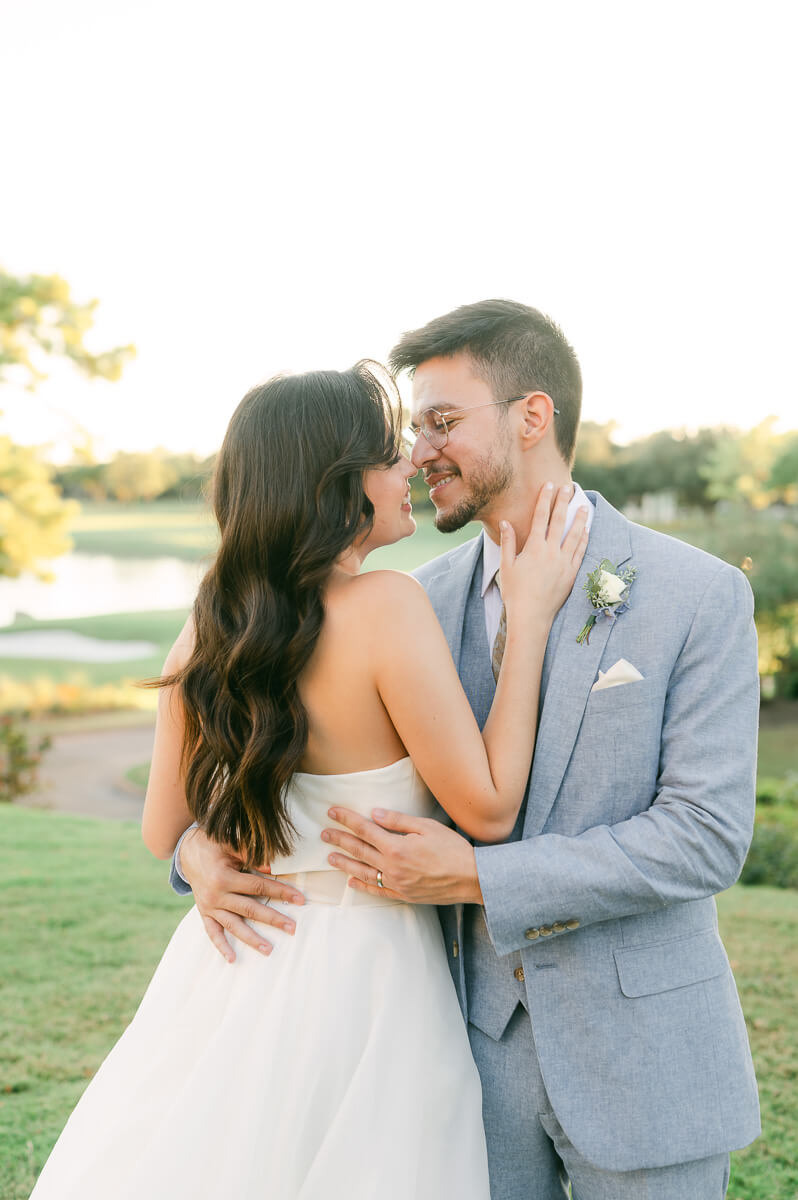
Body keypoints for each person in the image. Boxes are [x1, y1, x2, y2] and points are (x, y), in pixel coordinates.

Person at [180, 302, 761, 1200]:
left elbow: (705, 836)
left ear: (533, 417)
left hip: (647, 1059)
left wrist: (482, 879)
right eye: (413, 430)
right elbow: (264, 755)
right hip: (451, 1063)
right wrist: (195, 857)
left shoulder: (697, 593)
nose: (416, 454)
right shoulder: (403, 601)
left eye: (442, 423)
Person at [29, 360, 588, 1200]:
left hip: (230, 968)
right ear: (339, 482)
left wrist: (202, 858)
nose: (411, 467)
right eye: (389, 454)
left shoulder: (211, 622)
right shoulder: (385, 607)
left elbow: (161, 832)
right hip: (367, 983)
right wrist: (533, 616)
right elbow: (492, 807)